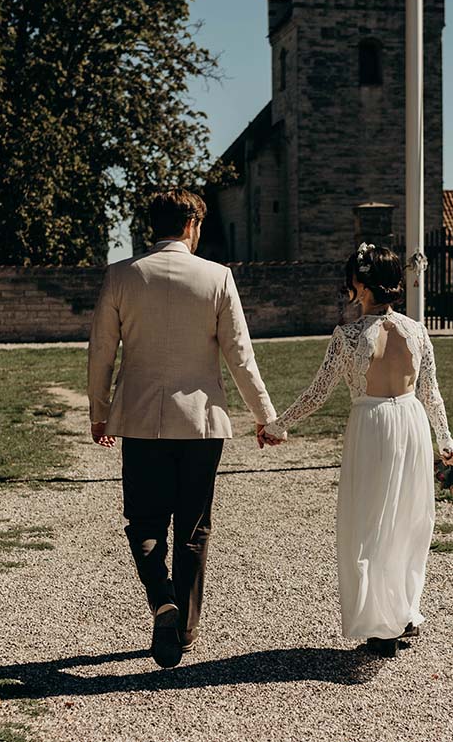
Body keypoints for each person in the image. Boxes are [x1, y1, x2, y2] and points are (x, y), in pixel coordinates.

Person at [87, 188, 279, 669]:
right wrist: (264, 415)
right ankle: (187, 625)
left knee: (145, 522)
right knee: (194, 527)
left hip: (140, 420)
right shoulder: (218, 278)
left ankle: (161, 599)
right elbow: (240, 356)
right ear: (192, 224)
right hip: (200, 423)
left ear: (154, 227)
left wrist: (99, 409)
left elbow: (101, 352)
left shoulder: (121, 276)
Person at [261, 243, 453, 657]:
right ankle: (402, 612)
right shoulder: (417, 332)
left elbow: (319, 392)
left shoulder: (349, 337)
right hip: (411, 425)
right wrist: (445, 440)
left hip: (371, 429)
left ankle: (382, 623)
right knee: (407, 522)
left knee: (368, 526)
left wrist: (280, 424)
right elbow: (431, 395)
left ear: (360, 284)